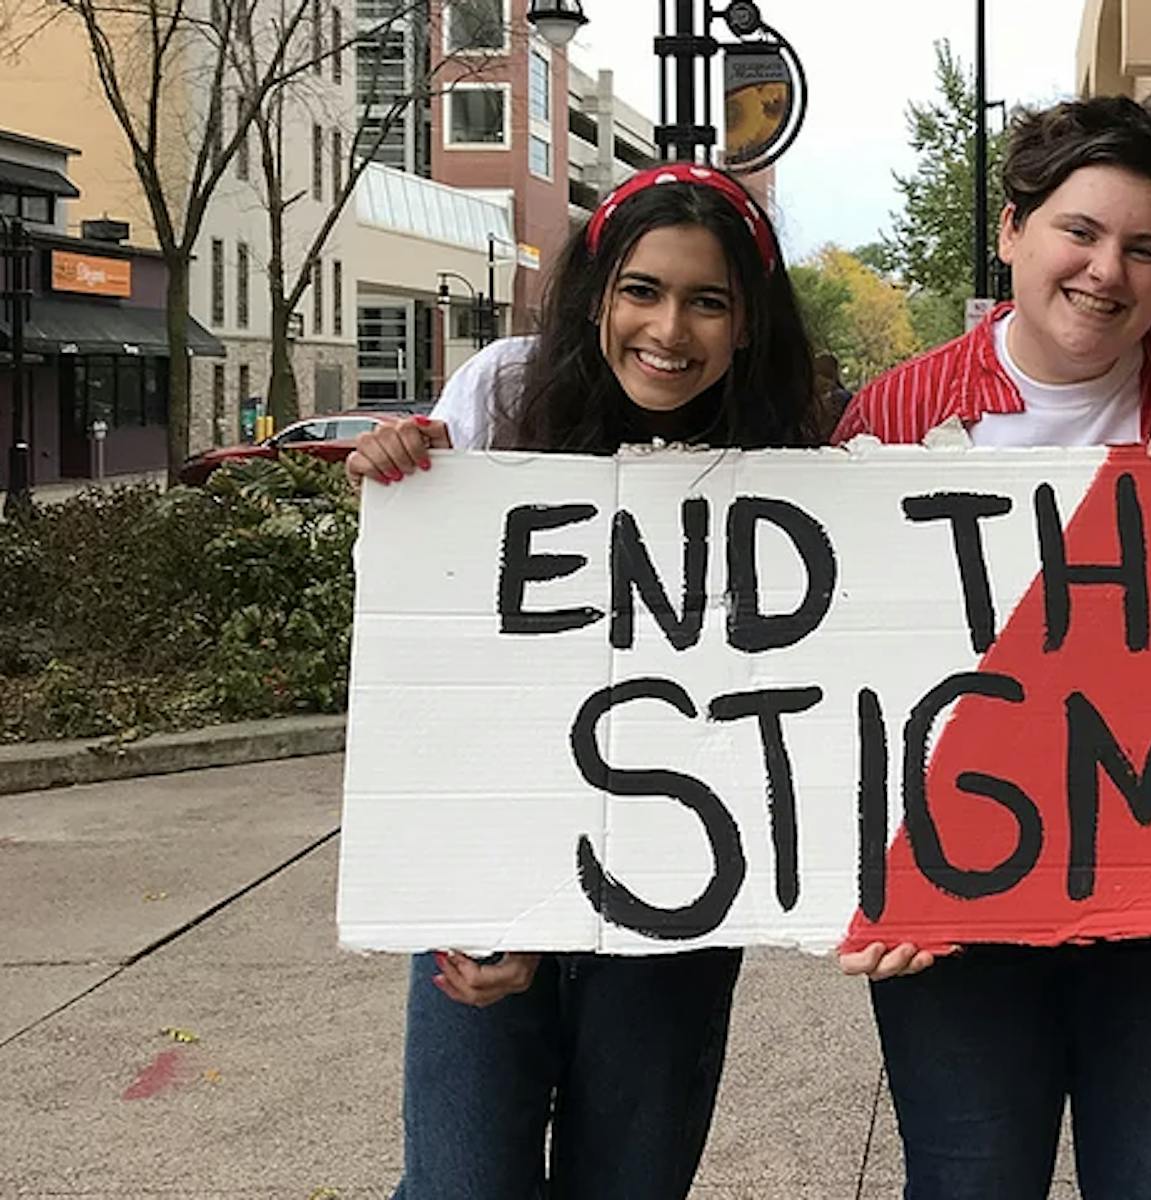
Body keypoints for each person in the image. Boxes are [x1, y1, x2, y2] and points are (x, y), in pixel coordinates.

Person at [831, 95, 1151, 1200]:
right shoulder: (895, 414)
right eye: (1079, 233)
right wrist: (865, 884)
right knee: (967, 1182)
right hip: (959, 908)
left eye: (1144, 249)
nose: (1106, 271)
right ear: (1011, 231)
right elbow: (833, 679)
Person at [344, 162, 820, 1199]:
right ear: (597, 293)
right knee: (461, 1185)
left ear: (747, 324)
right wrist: (400, 472)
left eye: (708, 301)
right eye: (641, 290)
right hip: (487, 877)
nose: (669, 329)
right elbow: (434, 658)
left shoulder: (789, 456)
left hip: (679, 898)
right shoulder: (503, 392)